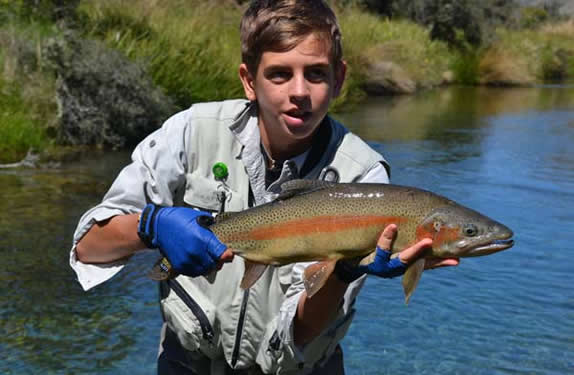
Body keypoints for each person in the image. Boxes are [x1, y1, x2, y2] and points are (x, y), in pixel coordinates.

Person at [70, 1, 459, 374]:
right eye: (279, 74)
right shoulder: (190, 132)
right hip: (184, 366)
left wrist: (343, 271)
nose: (300, 92)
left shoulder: (363, 176)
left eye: (316, 73)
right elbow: (89, 248)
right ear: (248, 81)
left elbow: (302, 333)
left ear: (339, 79)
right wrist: (151, 226)